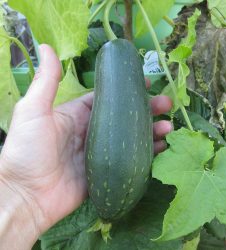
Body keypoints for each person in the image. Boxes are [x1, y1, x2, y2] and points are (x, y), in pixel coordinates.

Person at [0, 45, 173, 250]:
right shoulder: (115, 55)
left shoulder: (116, 56)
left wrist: (19, 194)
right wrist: (19, 190)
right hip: (117, 184)